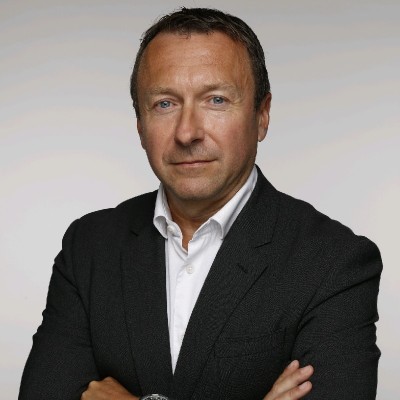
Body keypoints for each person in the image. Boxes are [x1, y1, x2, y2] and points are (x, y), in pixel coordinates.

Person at [19, 7, 382, 400]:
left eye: (216, 100)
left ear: (262, 115)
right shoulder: (89, 246)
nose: (187, 132)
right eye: (165, 104)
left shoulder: (334, 261)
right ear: (139, 125)